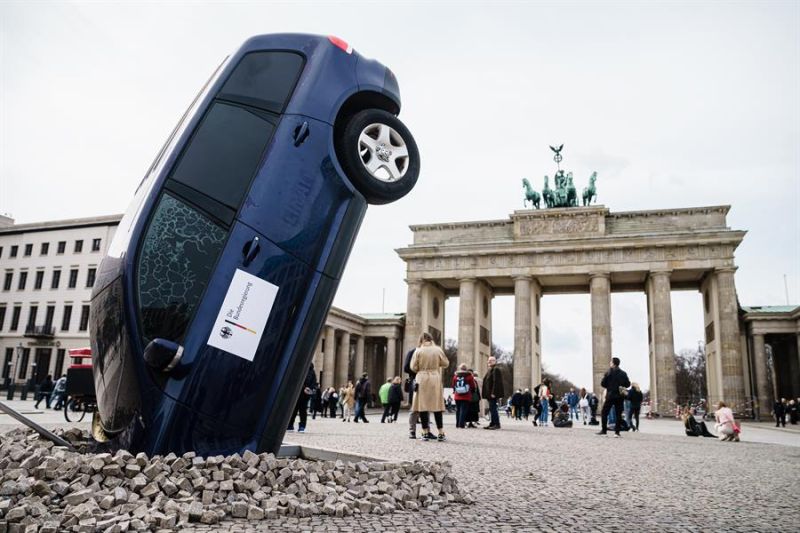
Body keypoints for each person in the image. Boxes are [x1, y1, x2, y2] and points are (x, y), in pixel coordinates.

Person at [410, 332, 449, 441]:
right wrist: (436, 364)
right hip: (434, 377)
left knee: (422, 406)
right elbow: (446, 363)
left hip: (422, 378)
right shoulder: (437, 350)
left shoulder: (418, 350)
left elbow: (413, 367)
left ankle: (425, 431)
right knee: (437, 406)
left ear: (421, 340)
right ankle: (441, 432)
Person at [597, 357, 630, 437]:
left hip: (610, 396)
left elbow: (603, 384)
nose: (610, 363)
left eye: (610, 362)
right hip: (619, 396)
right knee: (618, 414)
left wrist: (609, 385)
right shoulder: (623, 373)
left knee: (604, 412)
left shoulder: (608, 373)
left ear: (613, 363)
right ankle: (617, 432)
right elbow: (628, 384)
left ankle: (604, 431)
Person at [287, 363, 317, 432]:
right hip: (297, 393)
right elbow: (296, 380)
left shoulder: (312, 371)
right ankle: (290, 425)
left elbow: (314, 382)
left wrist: (310, 389)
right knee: (293, 410)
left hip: (305, 395)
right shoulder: (300, 369)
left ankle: (302, 426)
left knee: (302, 411)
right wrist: (305, 388)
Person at [404, 343, 422, 439]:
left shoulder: (418, 352)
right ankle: (413, 430)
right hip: (416, 380)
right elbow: (406, 368)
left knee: (422, 406)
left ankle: (423, 431)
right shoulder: (412, 352)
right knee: (415, 406)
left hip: (419, 380)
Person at [482, 356, 505, 430]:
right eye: (488, 360)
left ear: (495, 361)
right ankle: (492, 423)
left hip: (492, 393)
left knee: (493, 409)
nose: (489, 361)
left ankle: (496, 424)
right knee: (492, 409)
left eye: (491, 360)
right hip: (489, 393)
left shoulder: (496, 369)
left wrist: (493, 392)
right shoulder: (491, 369)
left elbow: (496, 382)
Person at [452, 363, 477, 429]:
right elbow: (472, 386)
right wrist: (472, 392)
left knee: (458, 410)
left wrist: (455, 391)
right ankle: (461, 424)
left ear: (460, 368)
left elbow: (453, 385)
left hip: (457, 395)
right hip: (466, 396)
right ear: (466, 369)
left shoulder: (455, 376)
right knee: (463, 410)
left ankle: (457, 424)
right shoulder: (469, 376)